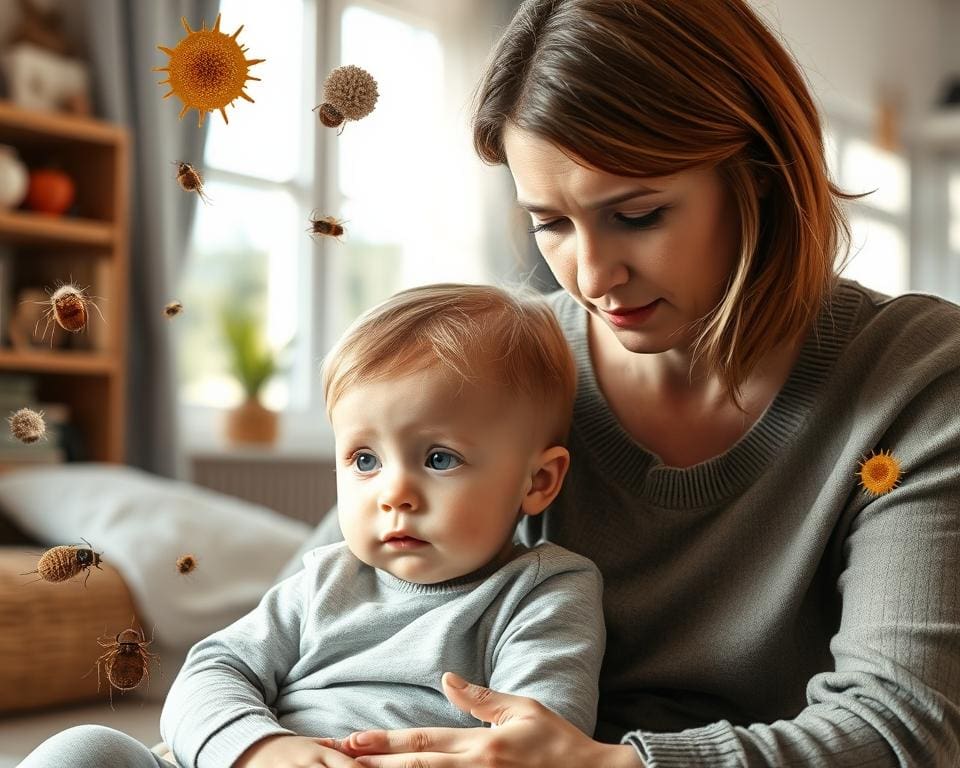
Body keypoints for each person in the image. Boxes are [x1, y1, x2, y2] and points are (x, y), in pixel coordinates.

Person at [294, 1, 960, 766]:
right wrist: (263, 744)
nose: (591, 276)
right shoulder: (506, 362)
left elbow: (903, 731)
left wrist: (608, 764)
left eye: (637, 214)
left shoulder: (918, 376)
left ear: (762, 174)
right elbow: (315, 600)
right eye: (549, 223)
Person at [18, 284, 605, 768]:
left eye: (439, 459)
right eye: (365, 460)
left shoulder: (545, 591)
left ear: (537, 483)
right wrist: (260, 748)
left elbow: (538, 741)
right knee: (84, 749)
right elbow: (211, 671)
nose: (393, 494)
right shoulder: (326, 577)